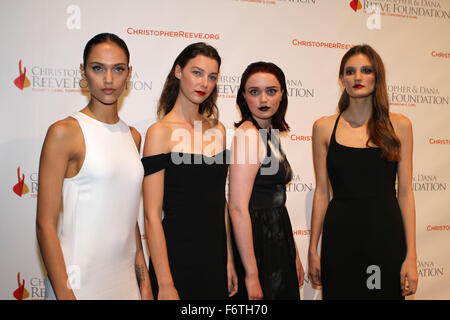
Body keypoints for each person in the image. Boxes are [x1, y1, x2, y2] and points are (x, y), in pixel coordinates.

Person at [36, 33, 152, 300]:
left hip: (124, 284)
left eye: (118, 69)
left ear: (129, 73)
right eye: (98, 68)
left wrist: (144, 282)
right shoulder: (65, 132)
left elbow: (128, 216)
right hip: (77, 283)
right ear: (83, 71)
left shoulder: (133, 136)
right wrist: (66, 294)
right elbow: (45, 224)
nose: (108, 79)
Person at [308, 44, 418, 300]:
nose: (357, 77)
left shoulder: (399, 125)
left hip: (385, 238)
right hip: (340, 239)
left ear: (377, 76)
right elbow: (322, 192)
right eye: (350, 71)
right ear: (342, 79)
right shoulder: (323, 128)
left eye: (366, 70)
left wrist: (411, 255)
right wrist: (313, 249)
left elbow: (405, 193)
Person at [141, 42, 237, 300]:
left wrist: (228, 260)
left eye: (212, 76)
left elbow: (220, 203)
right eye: (197, 72)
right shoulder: (159, 133)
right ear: (178, 72)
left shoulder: (219, 130)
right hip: (176, 259)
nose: (204, 82)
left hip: (215, 258)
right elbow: (151, 216)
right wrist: (165, 284)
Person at [228, 62, 304, 300]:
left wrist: (293, 255)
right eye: (254, 91)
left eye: (271, 91)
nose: (263, 99)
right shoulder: (248, 135)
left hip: (278, 238)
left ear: (282, 95)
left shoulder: (269, 133)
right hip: (257, 244)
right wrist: (251, 275)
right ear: (244, 97)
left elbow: (277, 202)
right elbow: (238, 208)